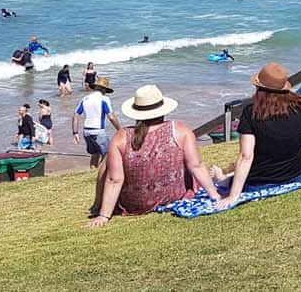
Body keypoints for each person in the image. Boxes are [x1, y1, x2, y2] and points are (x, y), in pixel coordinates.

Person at [89, 85, 218, 226]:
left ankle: (97, 205)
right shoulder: (180, 129)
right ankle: (218, 176)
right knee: (190, 164)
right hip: (174, 197)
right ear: (162, 109)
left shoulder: (121, 137)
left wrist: (104, 215)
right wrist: (215, 196)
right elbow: (196, 166)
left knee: (108, 159)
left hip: (136, 205)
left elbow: (115, 179)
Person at [215, 63, 301, 210]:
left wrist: (233, 196)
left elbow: (246, 157)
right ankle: (224, 179)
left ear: (259, 87)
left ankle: (224, 180)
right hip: (297, 176)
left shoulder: (251, 112)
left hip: (260, 184)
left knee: (244, 171)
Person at [73, 77, 120, 169]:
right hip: (98, 131)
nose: (106, 92)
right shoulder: (104, 99)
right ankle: (100, 174)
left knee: (95, 153)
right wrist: (119, 129)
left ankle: (92, 171)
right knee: (107, 154)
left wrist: (75, 132)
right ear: (103, 89)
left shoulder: (85, 98)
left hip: (86, 131)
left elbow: (75, 115)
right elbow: (111, 117)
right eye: (105, 90)